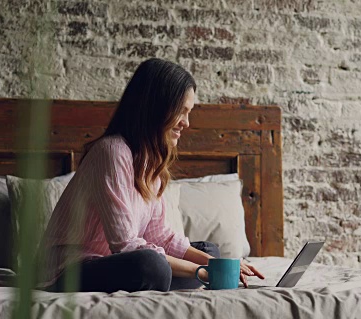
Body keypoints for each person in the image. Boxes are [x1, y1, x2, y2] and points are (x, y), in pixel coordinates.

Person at [40, 58, 264, 293]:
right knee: (151, 266)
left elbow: (160, 236)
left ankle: (180, 275)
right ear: (156, 108)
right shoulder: (112, 152)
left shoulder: (149, 161)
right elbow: (125, 245)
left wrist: (215, 265)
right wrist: (200, 271)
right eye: (182, 112)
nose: (187, 123)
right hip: (69, 269)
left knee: (210, 252)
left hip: (116, 262)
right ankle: (182, 276)